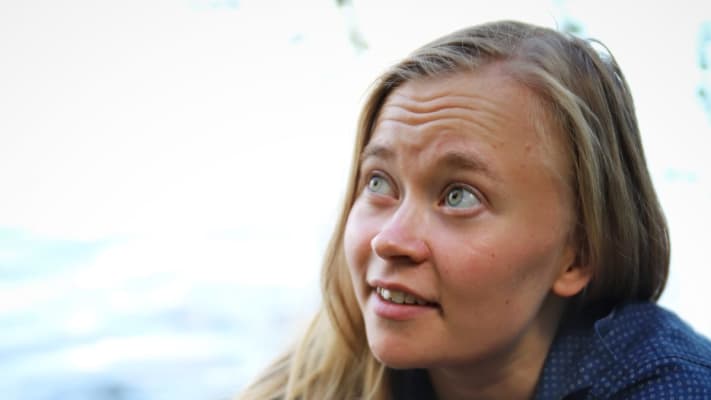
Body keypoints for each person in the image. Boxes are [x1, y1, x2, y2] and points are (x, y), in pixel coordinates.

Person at [238, 20, 711, 399]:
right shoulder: (313, 378)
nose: (389, 240)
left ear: (578, 255)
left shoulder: (671, 385)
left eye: (459, 196)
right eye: (379, 182)